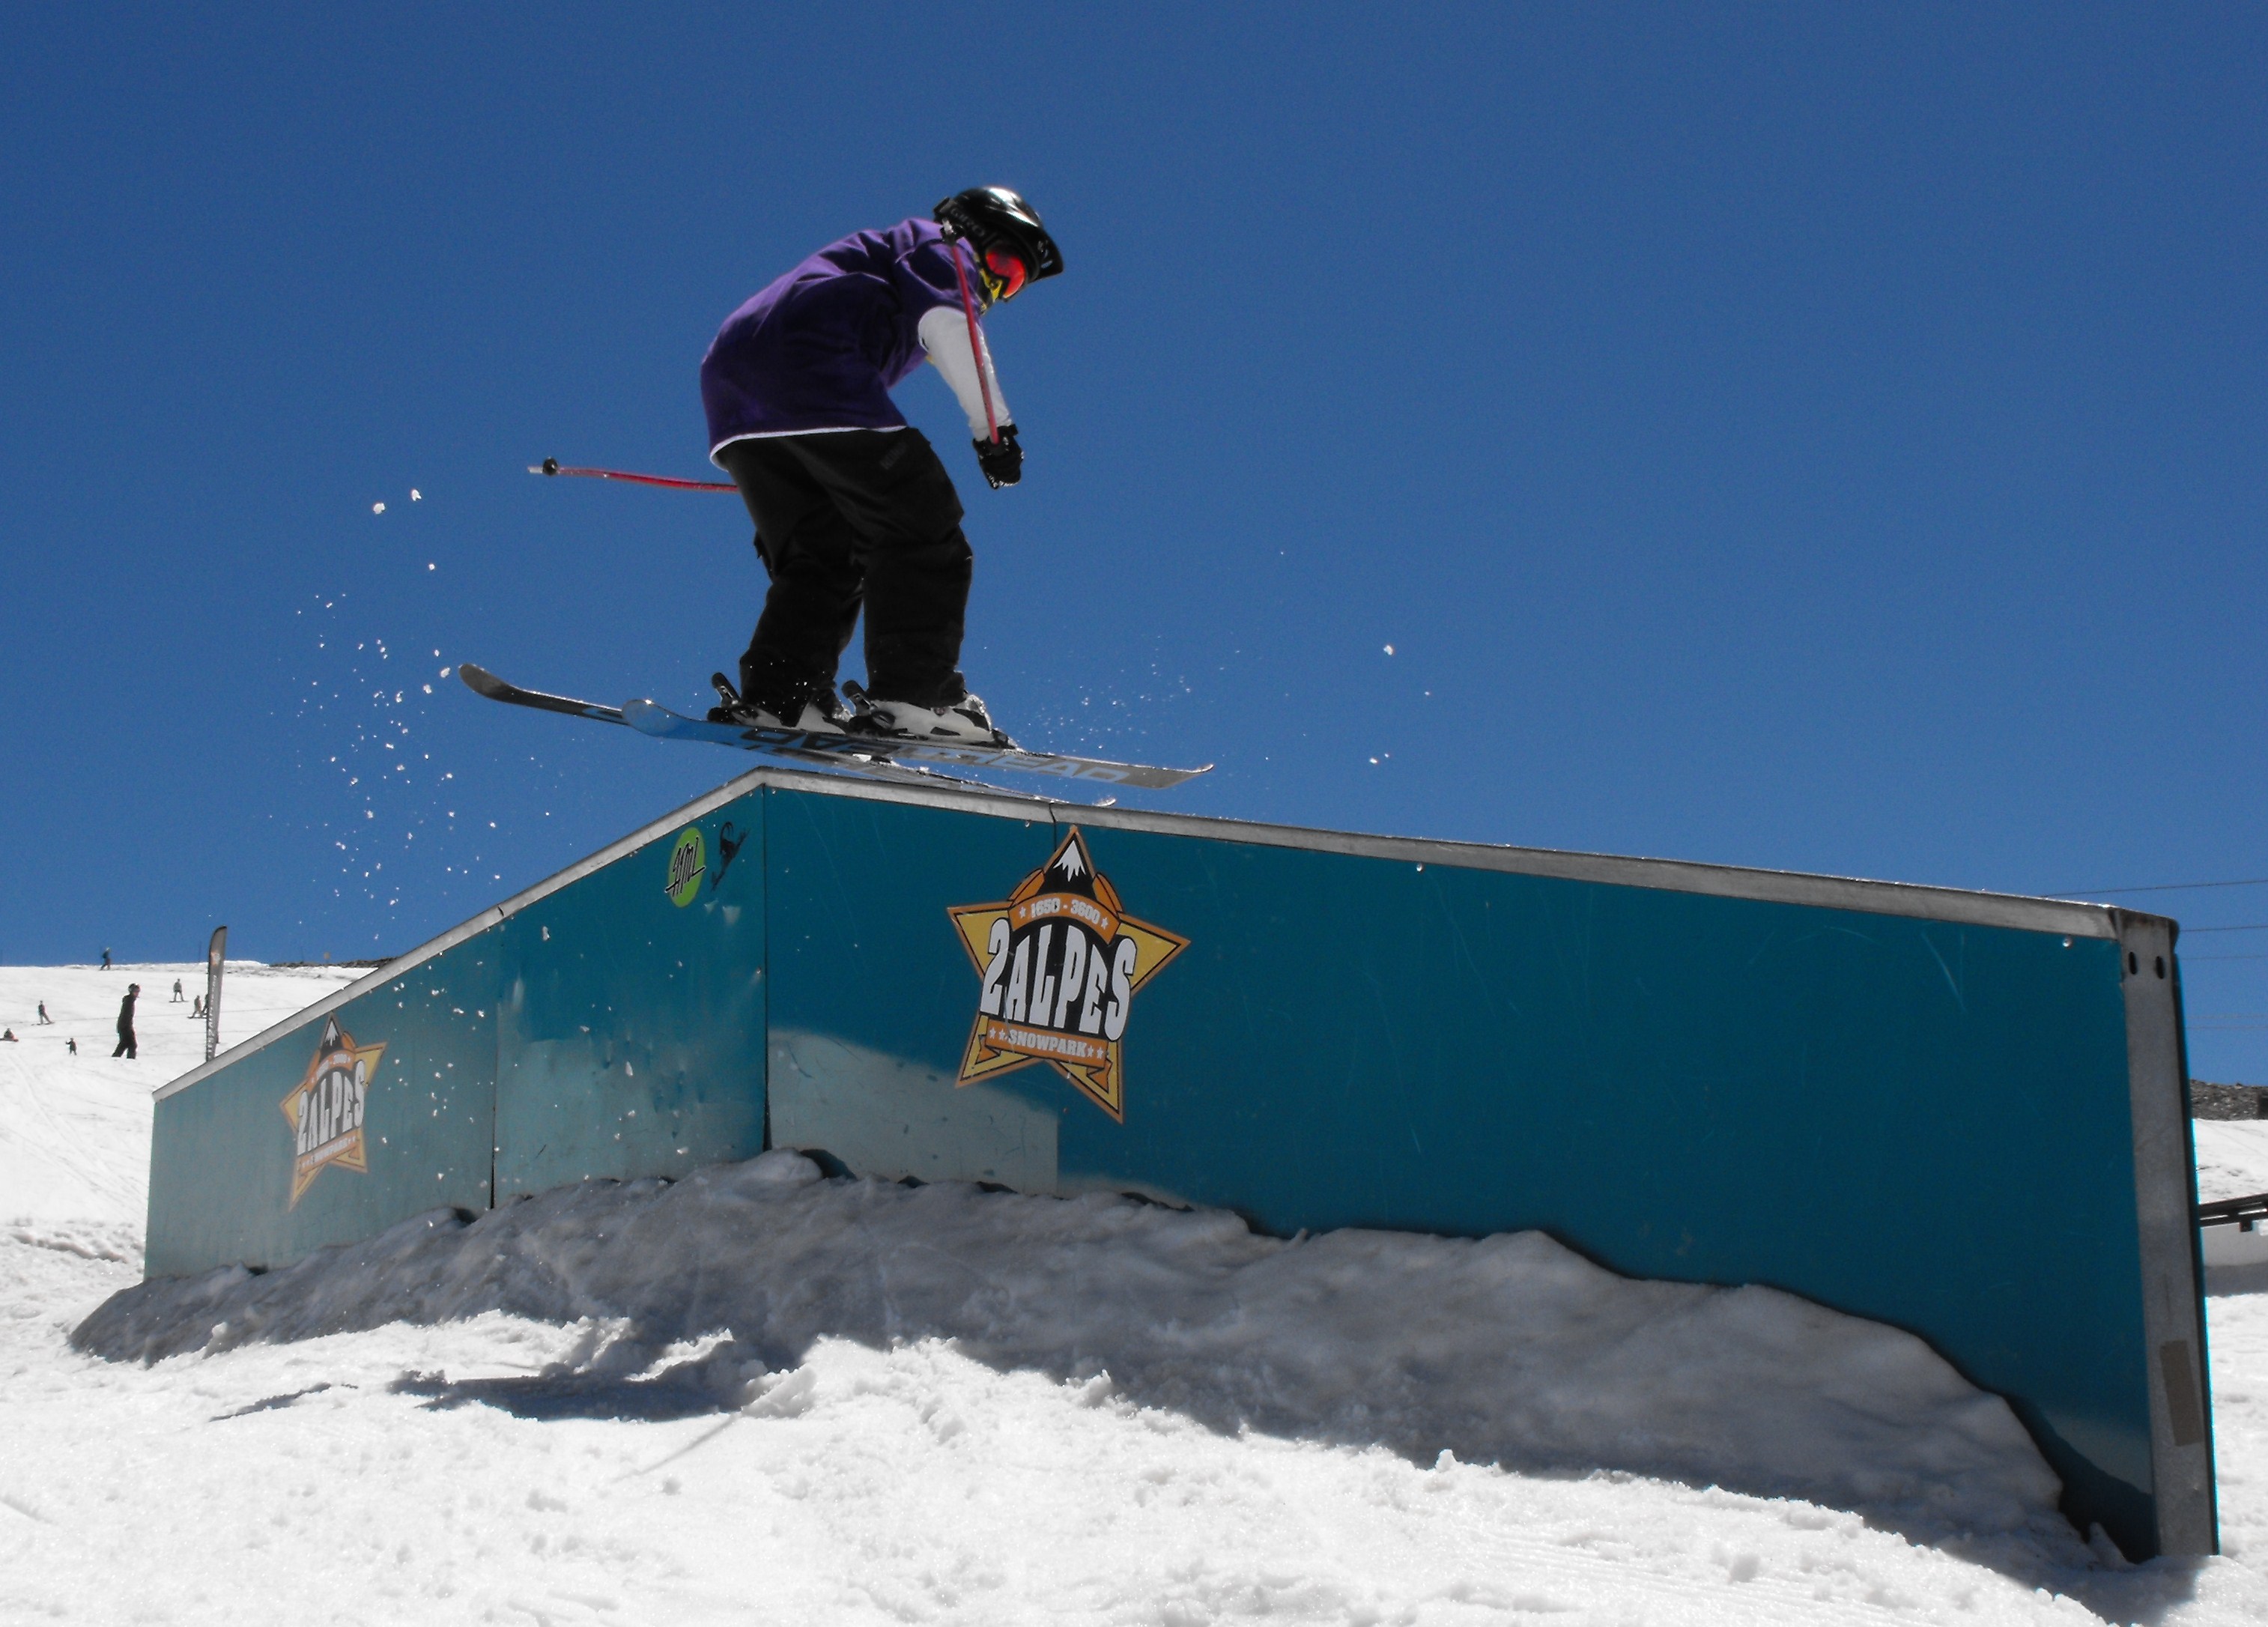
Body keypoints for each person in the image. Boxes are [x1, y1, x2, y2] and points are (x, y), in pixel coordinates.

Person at [699, 187, 1064, 745]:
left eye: (1012, 284)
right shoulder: (940, 245)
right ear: (974, 230)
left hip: (735, 394)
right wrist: (994, 431)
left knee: (826, 553)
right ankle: (919, 695)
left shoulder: (878, 269)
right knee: (919, 522)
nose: (996, 288)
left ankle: (784, 696)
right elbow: (950, 323)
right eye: (1007, 266)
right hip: (811, 372)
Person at [112, 983, 139, 1059]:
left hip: (125, 1025)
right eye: (136, 991)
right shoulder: (129, 1001)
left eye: (138, 991)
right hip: (125, 1026)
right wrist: (128, 1027)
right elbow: (125, 1015)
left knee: (125, 1044)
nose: (137, 993)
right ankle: (130, 1060)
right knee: (132, 1045)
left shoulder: (130, 1000)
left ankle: (116, 1058)